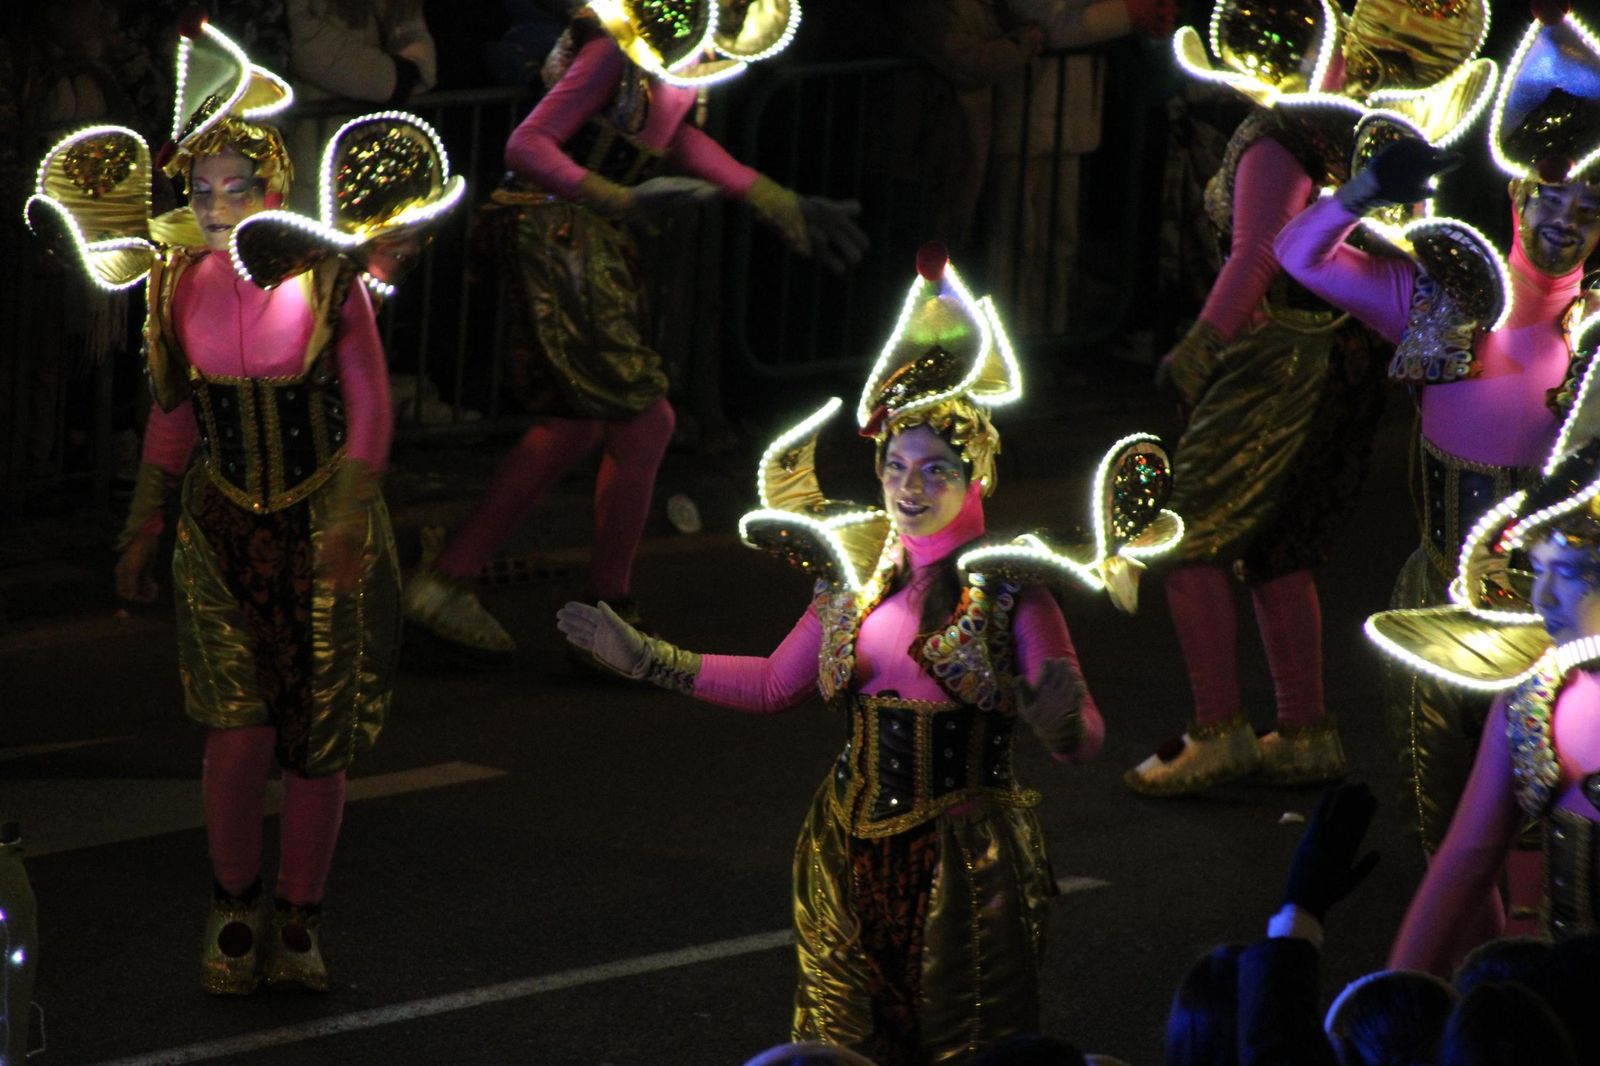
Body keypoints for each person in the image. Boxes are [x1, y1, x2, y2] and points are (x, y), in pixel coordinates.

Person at [558, 247, 1178, 1063]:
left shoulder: (1011, 591)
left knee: (964, 1052)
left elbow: (1084, 737)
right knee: (840, 1051)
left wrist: (1060, 724)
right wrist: (648, 658)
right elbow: (775, 684)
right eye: (894, 466)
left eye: (934, 470)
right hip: (845, 852)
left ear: (976, 473)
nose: (908, 488)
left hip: (963, 869)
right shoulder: (853, 574)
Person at [26, 16, 408, 994]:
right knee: (237, 729)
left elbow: (371, 409)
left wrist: (347, 519)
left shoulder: (328, 278)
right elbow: (172, 416)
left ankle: (301, 918)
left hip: (321, 525)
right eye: (202, 191)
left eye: (239, 188)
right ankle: (234, 907)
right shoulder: (175, 283)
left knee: (315, 739)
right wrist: (143, 524)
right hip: (222, 526)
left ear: (275, 191)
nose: (219, 206)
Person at [403, 0, 867, 660]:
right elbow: (526, 145)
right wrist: (618, 197)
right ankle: (606, 613)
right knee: (645, 421)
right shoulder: (616, 45)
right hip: (553, 226)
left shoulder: (681, 51)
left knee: (575, 426)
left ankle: (449, 580)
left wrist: (772, 198)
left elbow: (671, 134)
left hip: (586, 229)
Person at [1125, 0, 1495, 795]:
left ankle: (1218, 731)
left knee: (1186, 536)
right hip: (1342, 356)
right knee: (1281, 546)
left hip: (1275, 360)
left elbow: (1258, 254)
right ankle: (1304, 731)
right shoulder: (1357, 134)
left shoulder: (1286, 136)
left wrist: (1203, 345)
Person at [1275, 7, 1600, 858]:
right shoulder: (1446, 301)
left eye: (1591, 206)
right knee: (1446, 836)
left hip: (1563, 621)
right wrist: (1361, 194)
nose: (1567, 218)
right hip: (1433, 606)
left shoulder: (1598, 336)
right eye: (1553, 194)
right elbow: (1300, 255)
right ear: (1517, 193)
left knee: (1549, 847)